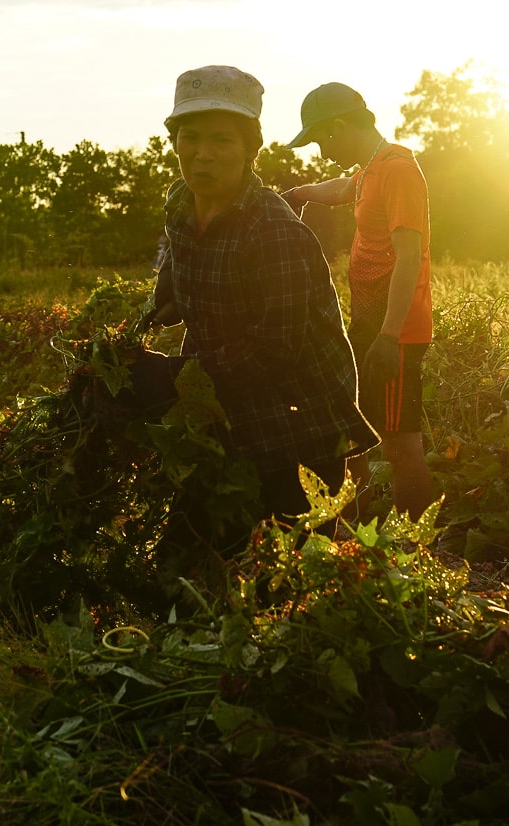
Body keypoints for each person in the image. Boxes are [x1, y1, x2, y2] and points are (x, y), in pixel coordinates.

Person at [150, 65, 377, 531]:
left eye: (221, 141)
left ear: (250, 149)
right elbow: (174, 282)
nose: (202, 156)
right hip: (222, 410)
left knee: (283, 581)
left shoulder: (273, 230)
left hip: (297, 426)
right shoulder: (180, 203)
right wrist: (148, 321)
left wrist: (171, 379)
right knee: (191, 560)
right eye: (189, 138)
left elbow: (273, 352)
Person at [281, 83, 435, 518]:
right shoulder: (371, 168)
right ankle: (358, 542)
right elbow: (342, 187)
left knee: (400, 443)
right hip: (372, 325)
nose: (322, 152)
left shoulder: (398, 170)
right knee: (356, 434)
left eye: (320, 140)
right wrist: (299, 194)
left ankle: (415, 554)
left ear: (340, 127)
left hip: (396, 330)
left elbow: (409, 258)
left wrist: (387, 337)